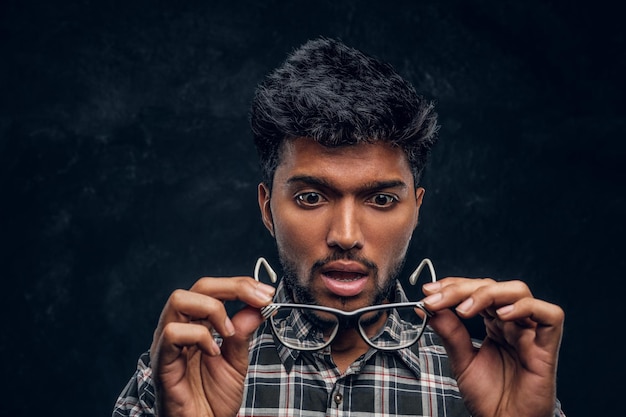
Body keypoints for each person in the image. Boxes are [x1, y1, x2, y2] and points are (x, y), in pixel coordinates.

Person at [113, 37, 565, 417]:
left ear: (416, 210)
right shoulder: (179, 373)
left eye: (381, 199)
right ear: (268, 209)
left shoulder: (493, 378)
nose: (346, 235)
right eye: (311, 197)